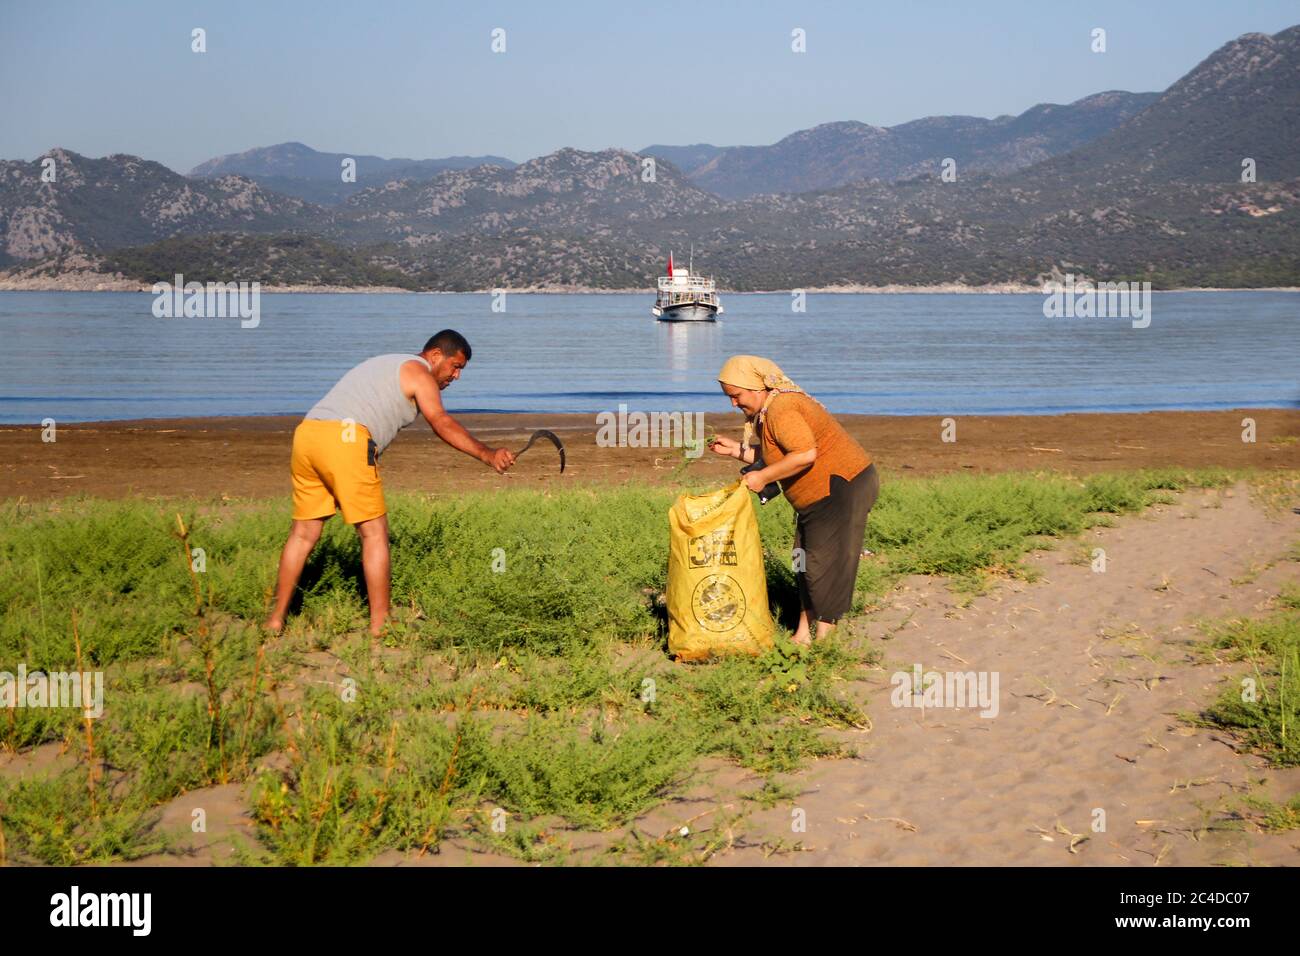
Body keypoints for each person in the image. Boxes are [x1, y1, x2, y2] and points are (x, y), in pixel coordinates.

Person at [264, 330, 515, 637]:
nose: (457, 376)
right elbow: (440, 421)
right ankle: (382, 624)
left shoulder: (388, 361)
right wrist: (487, 454)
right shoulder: (419, 373)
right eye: (456, 366)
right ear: (436, 356)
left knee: (304, 534)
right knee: (374, 534)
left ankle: (275, 620)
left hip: (308, 435)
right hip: (345, 440)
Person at [709, 355, 879, 646]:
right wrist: (737, 451)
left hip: (840, 486)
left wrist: (761, 479)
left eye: (736, 396)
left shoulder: (782, 409)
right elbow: (777, 457)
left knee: (823, 563)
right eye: (729, 398)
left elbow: (804, 455)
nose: (733, 404)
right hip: (818, 496)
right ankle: (803, 634)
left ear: (755, 388)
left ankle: (827, 641)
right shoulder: (767, 412)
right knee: (803, 561)